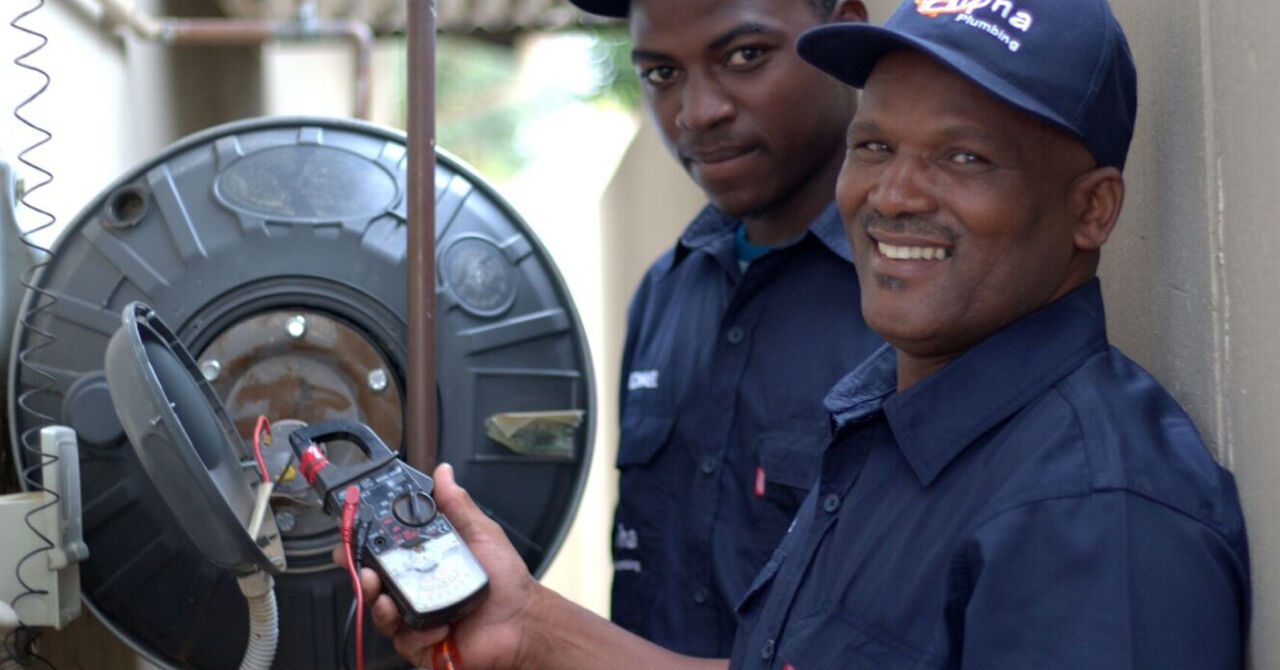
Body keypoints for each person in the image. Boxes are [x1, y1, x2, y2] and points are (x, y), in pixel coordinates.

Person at [346, 0, 1250, 667]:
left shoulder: (1096, 513)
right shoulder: (888, 428)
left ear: (1092, 210)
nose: (894, 194)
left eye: (963, 156)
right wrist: (528, 628)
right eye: (875, 146)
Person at [566, 0, 881, 657]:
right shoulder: (664, 294)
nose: (697, 112)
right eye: (661, 73)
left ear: (844, 31)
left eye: (744, 56)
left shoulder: (916, 297)